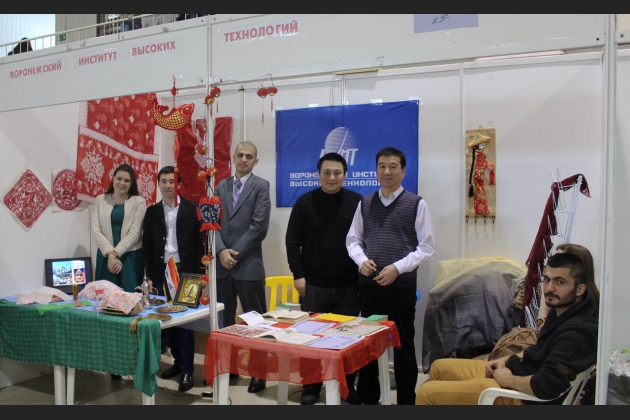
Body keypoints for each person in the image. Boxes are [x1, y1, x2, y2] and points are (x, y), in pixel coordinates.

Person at [416, 251, 599, 405]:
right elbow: (539, 350)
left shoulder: (577, 332)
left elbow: (546, 386)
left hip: (523, 397)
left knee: (427, 393)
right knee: (439, 367)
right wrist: (506, 360)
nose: (549, 288)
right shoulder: (563, 312)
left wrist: (507, 379)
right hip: (519, 374)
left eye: (560, 282)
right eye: (547, 280)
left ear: (580, 289)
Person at [346, 147, 436, 405]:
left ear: (403, 171)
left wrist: (397, 268)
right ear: (376, 170)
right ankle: (369, 396)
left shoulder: (416, 204)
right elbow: (353, 240)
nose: (387, 171)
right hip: (369, 284)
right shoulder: (364, 203)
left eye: (393, 166)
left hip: (401, 286)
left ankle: (406, 400)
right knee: (369, 343)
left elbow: (426, 246)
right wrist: (362, 261)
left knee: (403, 344)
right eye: (382, 166)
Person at [285, 152, 363, 405]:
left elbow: (364, 241)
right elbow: (292, 240)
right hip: (313, 285)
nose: (332, 177)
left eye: (337, 172)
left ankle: (346, 386)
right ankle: (311, 387)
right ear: (318, 174)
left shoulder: (357, 202)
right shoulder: (305, 202)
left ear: (345, 175)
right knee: (312, 340)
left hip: (348, 285)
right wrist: (298, 275)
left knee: (346, 339)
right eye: (327, 172)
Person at [215, 141, 271, 394]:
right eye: (240, 155)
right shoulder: (221, 186)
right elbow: (212, 223)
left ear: (255, 161)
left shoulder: (261, 186)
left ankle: (259, 373)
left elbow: (259, 227)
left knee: (256, 322)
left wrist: (233, 253)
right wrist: (220, 250)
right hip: (222, 265)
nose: (244, 159)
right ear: (233, 157)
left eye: (249, 156)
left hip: (248, 265)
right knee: (225, 321)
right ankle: (230, 368)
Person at [143, 166, 204, 393]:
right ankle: (177, 363)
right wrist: (148, 276)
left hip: (185, 272)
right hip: (161, 272)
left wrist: (199, 275)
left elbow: (200, 244)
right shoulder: (152, 212)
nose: (168, 186)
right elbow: (148, 246)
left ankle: (188, 370)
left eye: (172, 181)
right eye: (164, 181)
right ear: (158, 184)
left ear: (178, 184)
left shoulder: (192, 209)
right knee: (167, 321)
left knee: (185, 323)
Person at [92, 164, 146, 293]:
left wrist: (115, 254)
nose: (122, 183)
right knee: (105, 295)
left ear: (131, 184)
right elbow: (95, 230)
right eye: (119, 178)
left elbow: (135, 233)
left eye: (127, 180)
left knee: (130, 294)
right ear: (113, 179)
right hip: (105, 254)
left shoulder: (139, 201)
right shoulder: (100, 200)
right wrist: (110, 254)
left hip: (130, 254)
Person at [467, 133, 495, 215]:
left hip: (479, 175)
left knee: (481, 192)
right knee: (480, 192)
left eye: (484, 144)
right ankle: (480, 209)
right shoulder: (479, 155)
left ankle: (481, 209)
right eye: (482, 144)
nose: (484, 146)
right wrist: (489, 165)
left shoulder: (479, 154)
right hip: (478, 176)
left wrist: (488, 165)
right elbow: (482, 163)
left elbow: (483, 163)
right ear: (477, 146)